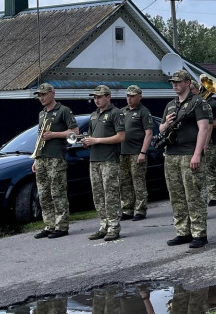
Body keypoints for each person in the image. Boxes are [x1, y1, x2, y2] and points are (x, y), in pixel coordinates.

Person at [162, 69, 210, 248]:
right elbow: (161, 129)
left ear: (188, 83)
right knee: (176, 195)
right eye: (173, 82)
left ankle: (199, 233)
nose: (174, 85)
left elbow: (203, 129)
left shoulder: (198, 103)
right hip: (172, 155)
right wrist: (166, 123)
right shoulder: (171, 104)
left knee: (193, 195)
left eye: (178, 82)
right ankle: (183, 231)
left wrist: (197, 154)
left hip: (189, 153)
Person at [31, 83, 78, 240]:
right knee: (43, 194)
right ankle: (49, 225)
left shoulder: (64, 111)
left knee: (58, 192)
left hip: (56, 157)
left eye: (44, 94)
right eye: (39, 95)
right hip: (42, 157)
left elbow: (74, 132)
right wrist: (36, 157)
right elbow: (40, 136)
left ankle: (61, 226)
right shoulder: (42, 113)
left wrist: (54, 135)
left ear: (53, 93)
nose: (41, 98)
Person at [84, 85, 126, 242]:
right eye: (94, 97)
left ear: (108, 97)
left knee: (111, 194)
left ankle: (114, 226)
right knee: (98, 195)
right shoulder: (93, 115)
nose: (96, 100)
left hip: (109, 159)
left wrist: (97, 140)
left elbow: (121, 137)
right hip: (94, 159)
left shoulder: (116, 113)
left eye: (99, 97)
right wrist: (87, 141)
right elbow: (91, 135)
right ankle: (104, 225)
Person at [119, 85, 153, 223]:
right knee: (124, 182)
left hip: (136, 152)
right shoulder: (122, 111)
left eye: (132, 96)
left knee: (138, 182)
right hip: (122, 152)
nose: (129, 98)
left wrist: (143, 152)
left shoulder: (143, 112)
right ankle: (127, 209)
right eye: (128, 96)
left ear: (140, 96)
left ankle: (140, 209)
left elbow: (149, 133)